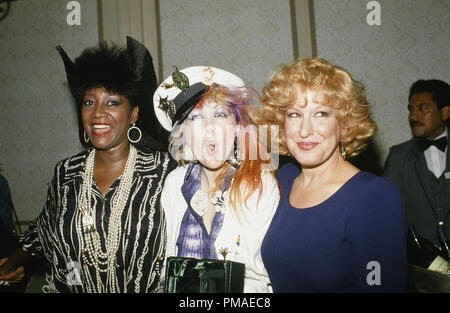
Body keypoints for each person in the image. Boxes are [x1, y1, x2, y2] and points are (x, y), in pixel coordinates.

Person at [0, 36, 175, 292]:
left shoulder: (164, 171)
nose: (97, 113)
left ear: (134, 113)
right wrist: (8, 267)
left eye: (112, 102)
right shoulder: (66, 173)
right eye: (89, 102)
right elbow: (43, 231)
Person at [258, 58, 407, 292]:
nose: (305, 130)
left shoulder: (373, 196)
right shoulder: (283, 180)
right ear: (281, 123)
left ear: (344, 124)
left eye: (321, 114)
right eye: (295, 115)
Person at [154, 66, 279, 292]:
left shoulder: (259, 184)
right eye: (195, 117)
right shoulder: (174, 183)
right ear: (182, 134)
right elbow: (167, 267)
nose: (210, 128)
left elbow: (264, 278)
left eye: (220, 114)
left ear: (237, 127)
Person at [384, 79, 450, 246]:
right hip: (419, 263)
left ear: (445, 112)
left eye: (422, 108)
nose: (413, 116)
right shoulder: (398, 156)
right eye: (411, 109)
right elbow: (387, 212)